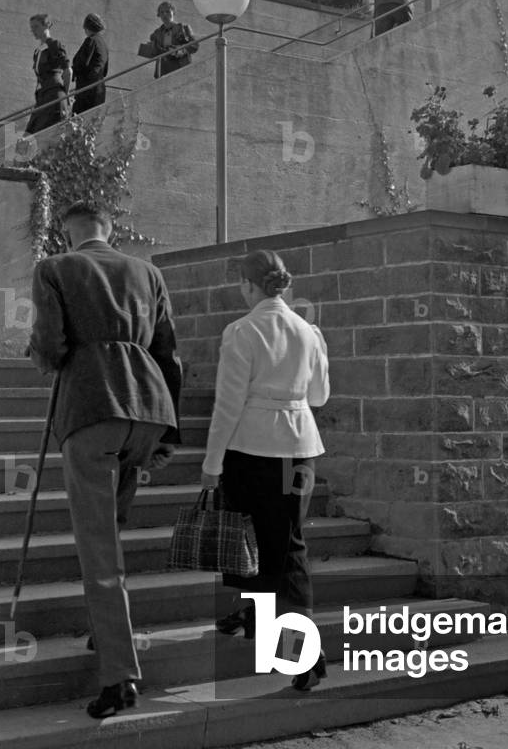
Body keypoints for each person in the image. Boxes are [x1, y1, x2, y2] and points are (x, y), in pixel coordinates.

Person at [27, 200, 183, 719]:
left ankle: (119, 678)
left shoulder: (52, 268)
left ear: (65, 232)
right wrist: (166, 437)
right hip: (149, 409)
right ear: (108, 230)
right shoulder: (148, 271)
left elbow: (50, 345)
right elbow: (169, 353)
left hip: (92, 407)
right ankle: (105, 632)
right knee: (111, 531)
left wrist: (42, 359)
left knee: (98, 549)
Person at [200, 250, 330, 692]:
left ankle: (300, 651)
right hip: (299, 449)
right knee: (286, 544)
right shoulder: (309, 332)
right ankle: (265, 628)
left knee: (258, 545)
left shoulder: (242, 331)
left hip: (251, 449)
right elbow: (319, 396)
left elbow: (228, 405)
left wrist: (211, 464)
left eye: (242, 284)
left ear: (249, 285)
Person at [24, 14, 72, 135]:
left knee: (41, 138)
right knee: (27, 138)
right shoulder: (38, 50)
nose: (33, 31)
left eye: (36, 26)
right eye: (31, 28)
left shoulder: (55, 45)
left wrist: (65, 95)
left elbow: (68, 71)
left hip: (54, 96)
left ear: (46, 26)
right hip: (42, 97)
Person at [145, 1, 198, 78]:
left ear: (173, 12)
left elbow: (194, 45)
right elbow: (155, 53)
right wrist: (150, 48)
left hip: (180, 67)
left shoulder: (184, 28)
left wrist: (181, 51)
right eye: (162, 12)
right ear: (159, 15)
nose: (164, 14)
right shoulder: (156, 34)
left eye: (167, 11)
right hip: (163, 70)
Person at [72, 13, 109, 114]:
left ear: (87, 27)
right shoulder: (102, 43)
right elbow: (104, 70)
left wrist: (71, 71)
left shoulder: (91, 41)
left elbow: (81, 64)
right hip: (99, 90)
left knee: (77, 123)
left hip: (87, 92)